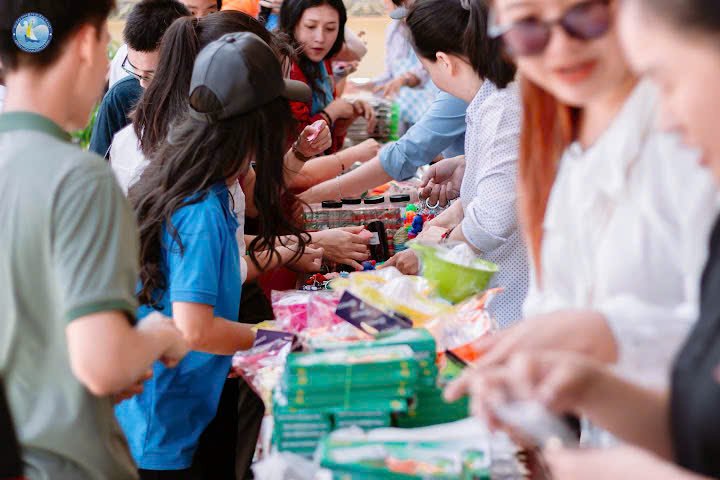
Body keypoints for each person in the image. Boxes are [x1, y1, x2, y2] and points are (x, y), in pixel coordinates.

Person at [457, 1, 720, 478]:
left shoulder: (696, 129)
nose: (560, 46)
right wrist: (567, 381)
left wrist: (606, 336)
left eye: (584, 14)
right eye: (528, 27)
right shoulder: (562, 132)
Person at [0, 1, 190, 478]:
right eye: (108, 43)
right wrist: (159, 334)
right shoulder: (79, 178)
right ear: (86, 44)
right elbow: (104, 364)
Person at [115, 32, 313, 480]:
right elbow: (196, 328)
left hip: (177, 411)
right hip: (161, 430)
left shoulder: (204, 185)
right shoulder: (200, 207)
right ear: (256, 127)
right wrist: (282, 340)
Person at [382, 0, 528, 328]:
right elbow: (502, 184)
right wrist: (466, 174)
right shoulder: (489, 101)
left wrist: (431, 252)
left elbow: (492, 219)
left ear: (444, 62)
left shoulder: (501, 107)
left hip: (516, 300)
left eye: (427, 67)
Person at [91, 0, 189, 158]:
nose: (142, 82)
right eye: (134, 69)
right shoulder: (121, 98)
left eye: (152, 74)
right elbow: (97, 164)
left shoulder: (205, 94)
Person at [280, 0, 376, 153]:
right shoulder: (285, 67)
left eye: (330, 28)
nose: (320, 38)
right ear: (292, 24)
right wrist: (331, 113)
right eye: (310, 26)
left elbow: (328, 147)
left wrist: (345, 119)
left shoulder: (322, 63)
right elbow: (291, 146)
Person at [109, 0, 222, 88]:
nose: (201, 22)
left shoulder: (218, 61)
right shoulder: (125, 59)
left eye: (211, 13)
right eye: (191, 12)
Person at [371, 0, 436, 134]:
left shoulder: (428, 23)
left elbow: (425, 70)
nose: (384, 2)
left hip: (428, 105)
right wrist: (365, 86)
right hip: (403, 108)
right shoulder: (392, 30)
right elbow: (390, 73)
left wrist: (403, 80)